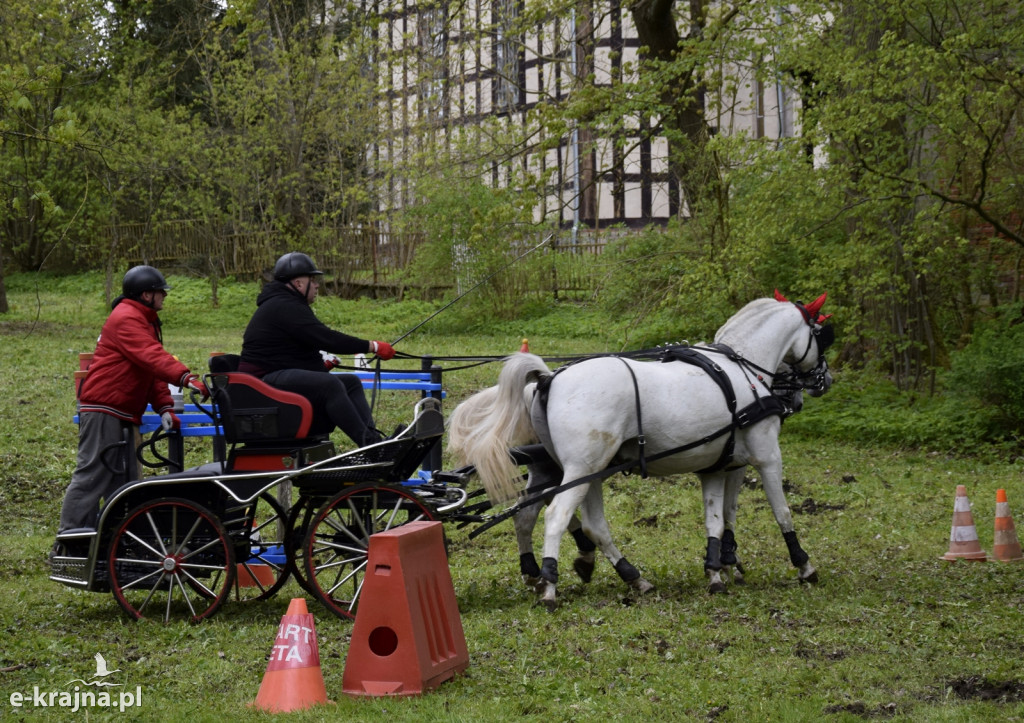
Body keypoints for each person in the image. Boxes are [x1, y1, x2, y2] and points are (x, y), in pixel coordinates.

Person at [57, 266, 207, 535]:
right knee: (92, 477)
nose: (165, 297)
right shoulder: (126, 318)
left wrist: (164, 406)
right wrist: (186, 378)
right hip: (104, 408)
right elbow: (152, 356)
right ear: (146, 294)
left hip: (121, 411)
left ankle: (113, 547)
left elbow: (148, 367)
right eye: (161, 292)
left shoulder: (143, 319)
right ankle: (69, 540)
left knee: (123, 483)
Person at [238, 251, 397, 447]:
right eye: (312, 280)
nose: (317, 285)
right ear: (298, 284)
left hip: (275, 374)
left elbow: (300, 347)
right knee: (329, 385)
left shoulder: (286, 303)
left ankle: (376, 443)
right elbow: (326, 338)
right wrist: (372, 346)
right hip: (262, 383)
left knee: (351, 382)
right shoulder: (284, 306)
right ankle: (370, 445)